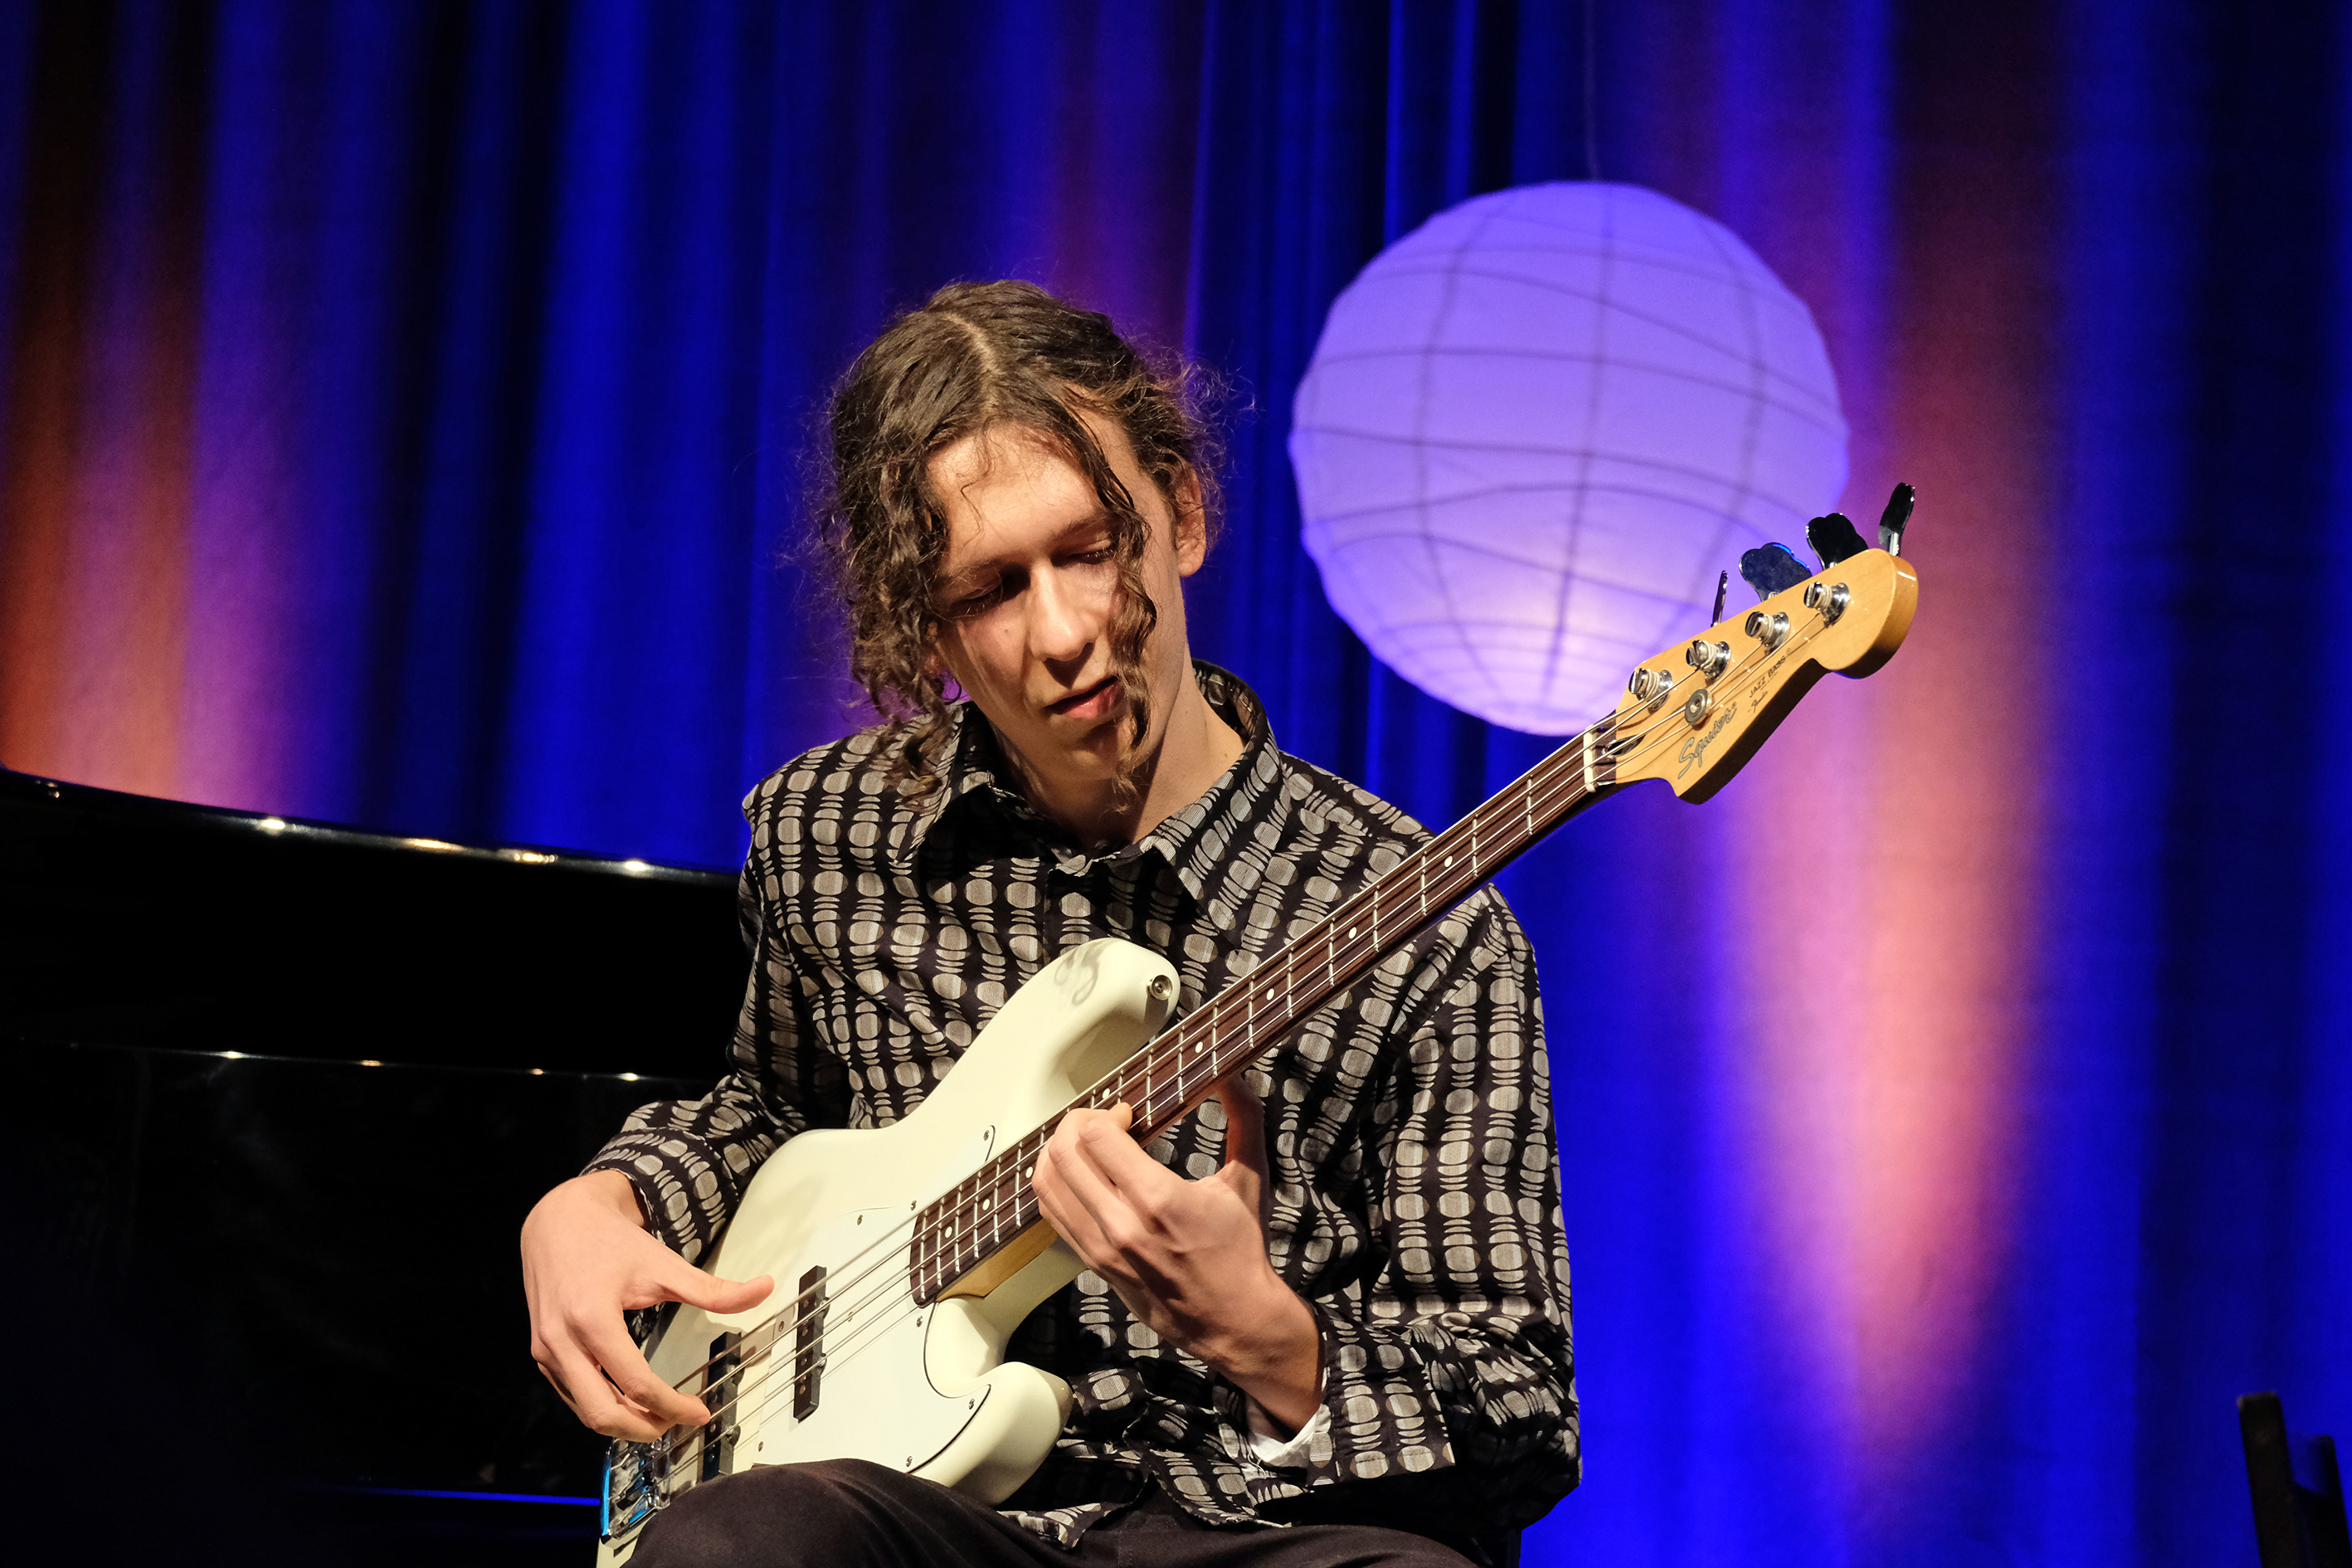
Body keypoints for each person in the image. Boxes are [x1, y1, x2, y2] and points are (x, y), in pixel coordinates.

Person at [519, 280, 1578, 1568]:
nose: (1064, 631)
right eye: (991, 590)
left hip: (1260, 1529)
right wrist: (605, 1196)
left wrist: (1268, 1338)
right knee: (734, 1541)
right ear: (925, 623)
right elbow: (768, 1113)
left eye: (1090, 549)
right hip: (938, 1523)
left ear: (1183, 512)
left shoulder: (1428, 925)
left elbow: (1519, 1412)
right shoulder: (830, 831)